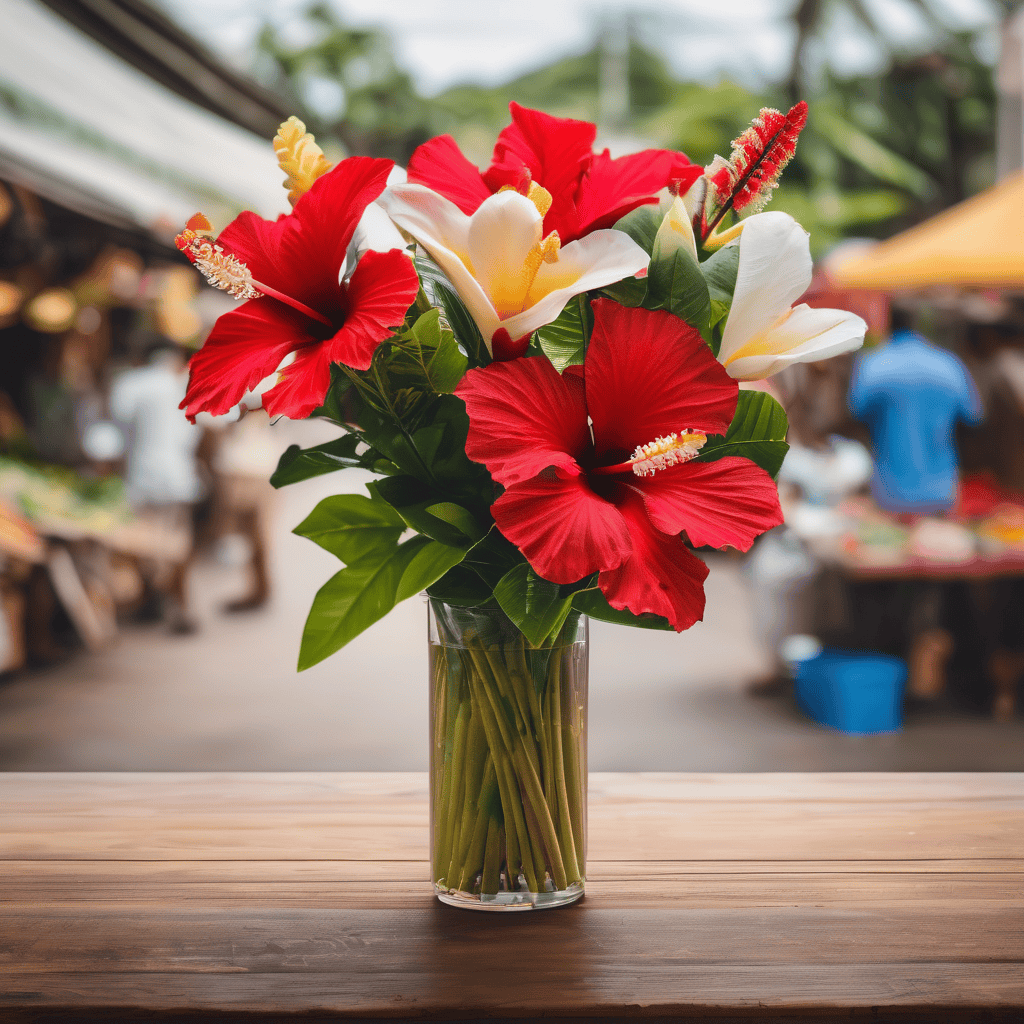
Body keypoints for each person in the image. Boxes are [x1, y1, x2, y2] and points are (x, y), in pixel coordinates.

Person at [109, 336, 204, 633]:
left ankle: (150, 599)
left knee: (141, 542)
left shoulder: (130, 384)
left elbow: (114, 433)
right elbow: (198, 432)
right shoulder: (184, 385)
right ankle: (180, 605)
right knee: (178, 542)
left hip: (141, 477)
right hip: (178, 476)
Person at [848, 308, 982, 515]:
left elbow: (856, 411)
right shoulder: (949, 363)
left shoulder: (874, 363)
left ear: (888, 324)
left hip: (888, 491)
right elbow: (973, 416)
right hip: (941, 488)